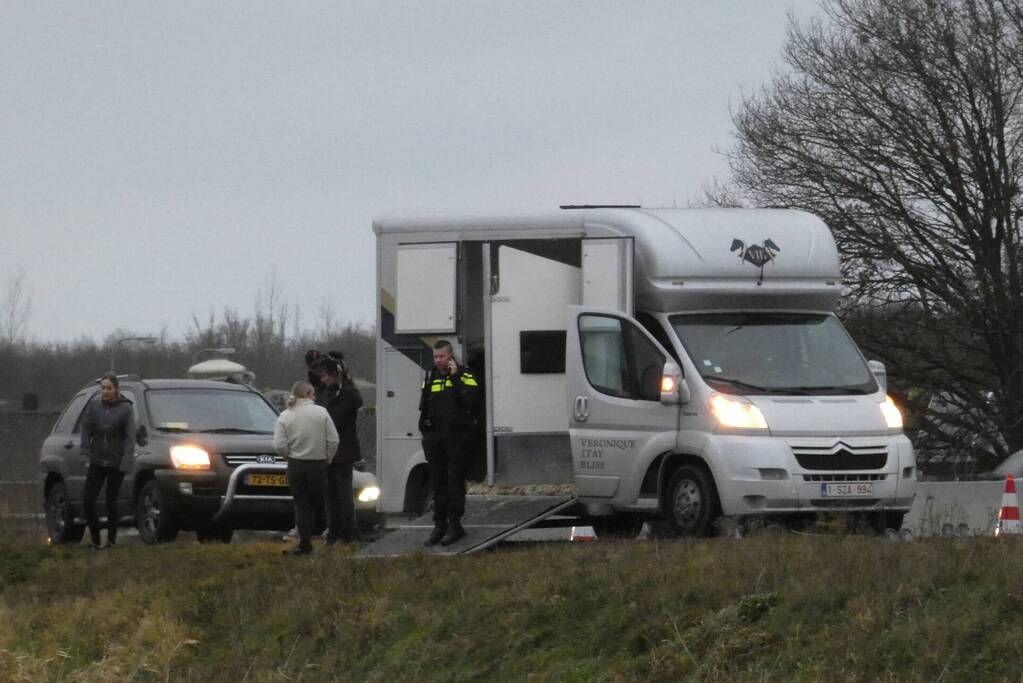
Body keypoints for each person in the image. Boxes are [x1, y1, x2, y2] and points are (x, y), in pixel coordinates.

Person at [418, 340, 480, 547]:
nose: (438, 361)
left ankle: (456, 525)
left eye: (442, 356)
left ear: (451, 356)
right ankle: (439, 524)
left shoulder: (465, 375)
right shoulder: (430, 375)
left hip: (457, 438)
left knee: (455, 482)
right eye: (435, 357)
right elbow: (424, 405)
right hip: (435, 438)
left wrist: (455, 378)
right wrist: (425, 432)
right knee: (438, 482)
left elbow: (471, 400)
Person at [273, 380, 339, 555]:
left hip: (296, 465)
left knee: (302, 505)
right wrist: (328, 457)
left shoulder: (285, 416)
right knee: (319, 502)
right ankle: (327, 536)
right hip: (318, 464)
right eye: (313, 393)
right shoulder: (321, 413)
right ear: (309, 393)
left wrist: (290, 455)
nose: (316, 395)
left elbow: (279, 445)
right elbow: (334, 440)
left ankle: (305, 544)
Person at [79, 373, 135, 549]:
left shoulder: (126, 409)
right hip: (97, 460)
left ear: (116, 389)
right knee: (88, 500)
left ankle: (111, 540)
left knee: (111, 501)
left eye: (109, 388)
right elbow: (86, 430)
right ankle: (95, 539)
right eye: (103, 388)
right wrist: (85, 454)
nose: (105, 391)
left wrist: (126, 461)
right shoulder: (93, 407)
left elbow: (130, 437)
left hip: (116, 462)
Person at [315, 352, 364, 544]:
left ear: (334, 374)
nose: (323, 379)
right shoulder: (329, 393)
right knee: (331, 496)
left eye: (326, 375)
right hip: (330, 452)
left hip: (343, 452)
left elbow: (334, 419)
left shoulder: (347, 394)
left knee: (343, 495)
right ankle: (333, 532)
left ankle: (345, 534)